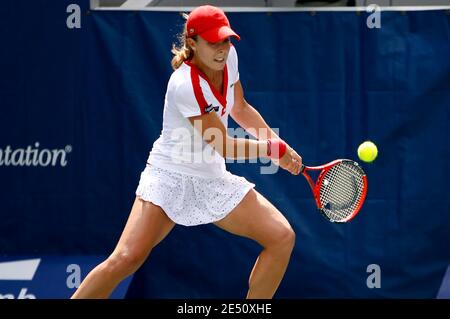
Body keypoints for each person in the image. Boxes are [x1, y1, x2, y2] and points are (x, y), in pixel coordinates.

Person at [71, 5, 302, 299]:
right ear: (192, 43)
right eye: (213, 42)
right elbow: (223, 144)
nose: (221, 49)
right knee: (126, 258)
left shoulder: (228, 58)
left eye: (226, 40)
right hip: (170, 174)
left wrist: (280, 145)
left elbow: (240, 108)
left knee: (282, 237)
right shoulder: (184, 85)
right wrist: (273, 149)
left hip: (211, 176)